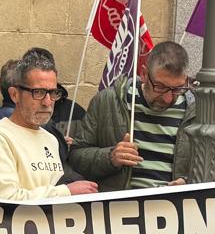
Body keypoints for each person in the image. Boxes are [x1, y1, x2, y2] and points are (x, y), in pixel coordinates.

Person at [70, 40, 196, 191]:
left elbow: (214, 167)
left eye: (177, 89)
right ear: (144, 74)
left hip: (174, 203)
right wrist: (110, 157)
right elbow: (76, 157)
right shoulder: (108, 101)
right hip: (121, 202)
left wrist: (189, 181)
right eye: (160, 87)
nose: (168, 98)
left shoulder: (196, 110)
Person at [0, 55, 99, 200]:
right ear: (15, 95)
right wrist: (66, 192)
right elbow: (4, 199)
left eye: (53, 93)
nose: (47, 102)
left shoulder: (51, 139)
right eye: (38, 92)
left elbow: (54, 187)